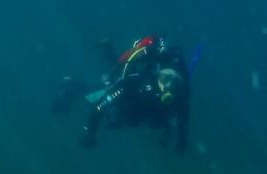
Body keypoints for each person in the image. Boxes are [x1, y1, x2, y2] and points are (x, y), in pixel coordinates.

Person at [52, 35, 191, 153]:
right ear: (157, 75)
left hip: (132, 113)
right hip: (121, 103)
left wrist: (181, 141)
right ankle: (67, 85)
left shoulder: (179, 96)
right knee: (92, 94)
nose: (169, 86)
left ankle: (108, 48)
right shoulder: (136, 83)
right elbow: (99, 106)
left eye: (176, 82)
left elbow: (182, 118)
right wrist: (90, 134)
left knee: (114, 81)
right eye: (165, 78)